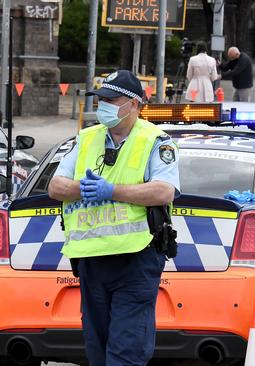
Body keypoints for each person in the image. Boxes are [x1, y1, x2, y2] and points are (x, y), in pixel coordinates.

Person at [48, 70, 180, 366]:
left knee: (125, 350)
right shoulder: (86, 138)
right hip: (91, 259)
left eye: (112, 99)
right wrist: (83, 188)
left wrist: (111, 190)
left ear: (134, 104)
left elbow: (163, 191)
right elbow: (55, 186)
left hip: (135, 258)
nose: (103, 105)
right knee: (97, 349)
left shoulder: (156, 141)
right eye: (101, 99)